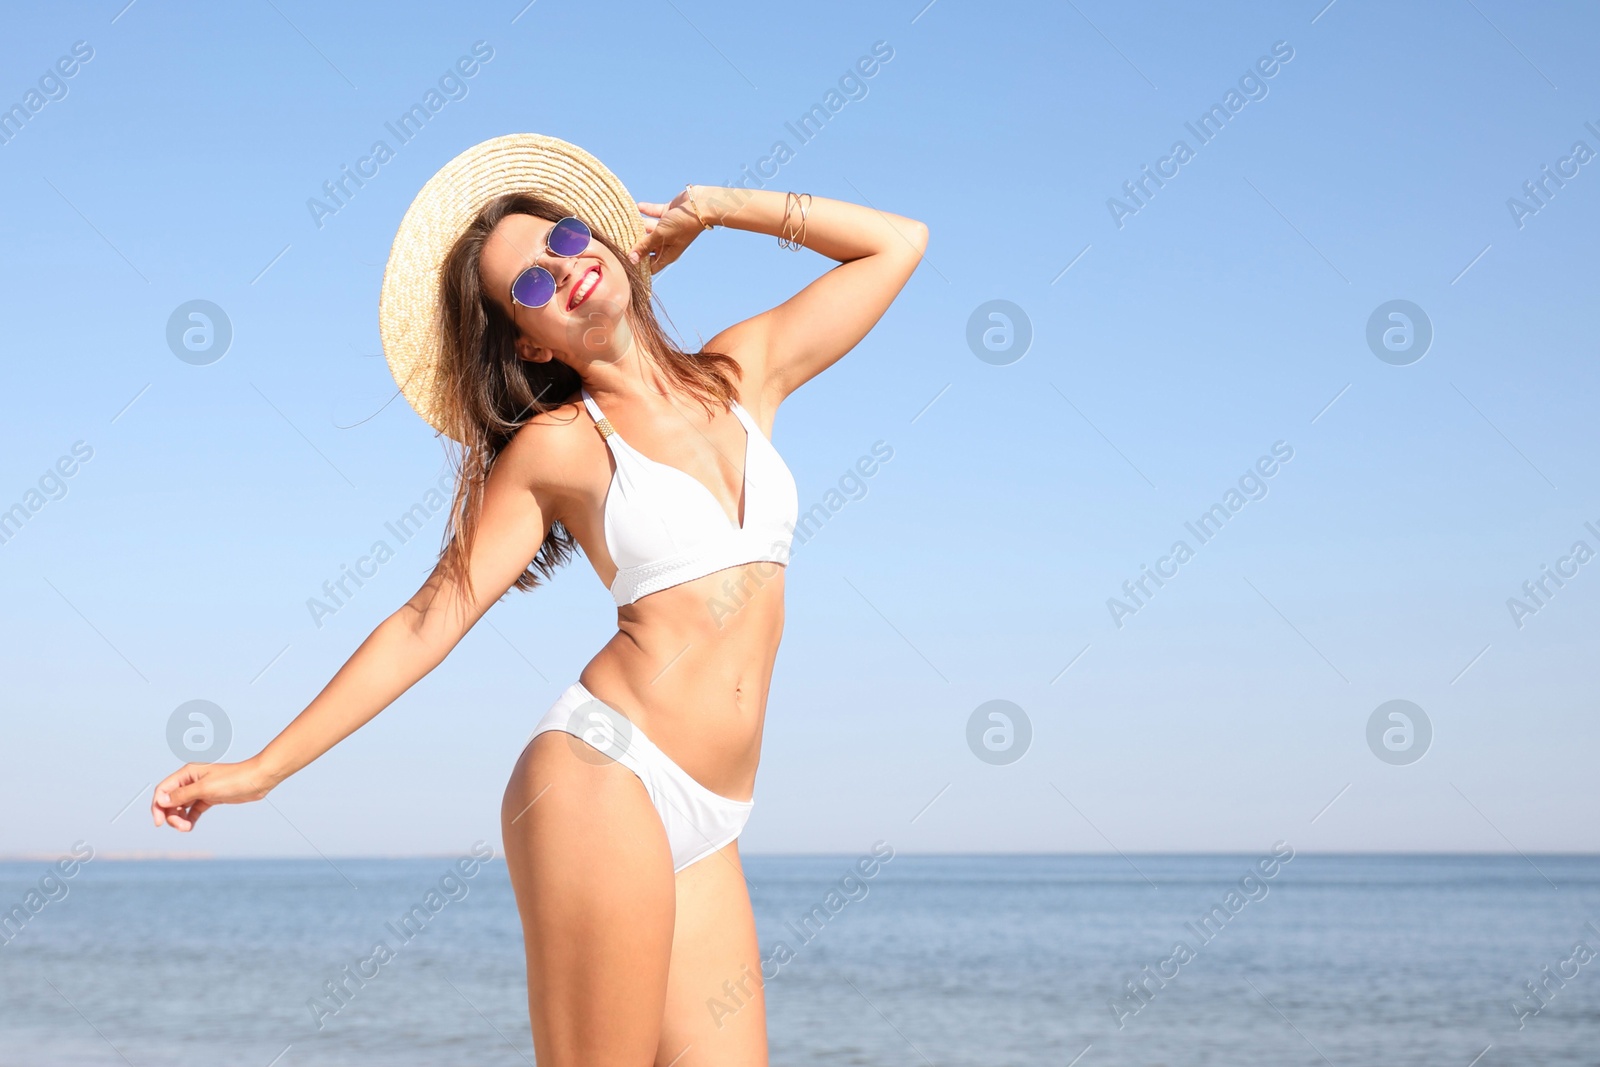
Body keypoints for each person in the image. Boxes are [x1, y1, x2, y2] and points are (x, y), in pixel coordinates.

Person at [151, 132, 927, 1066]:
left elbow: (898, 243)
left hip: (711, 816)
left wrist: (714, 206)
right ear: (529, 339)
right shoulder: (559, 446)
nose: (561, 272)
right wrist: (262, 771)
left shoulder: (743, 372)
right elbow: (426, 617)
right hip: (604, 776)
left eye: (562, 241)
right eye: (528, 285)